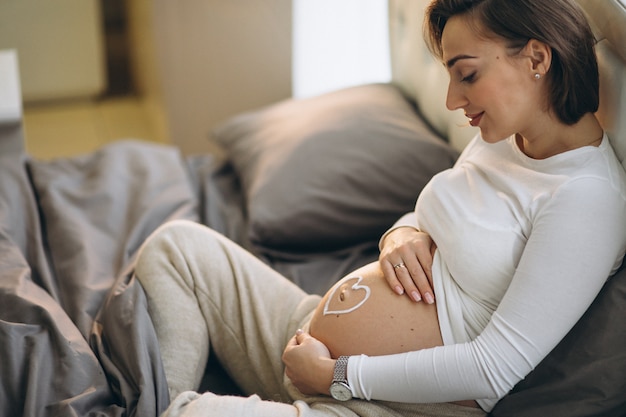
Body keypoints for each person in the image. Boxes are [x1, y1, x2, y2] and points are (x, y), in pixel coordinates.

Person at [133, 0, 626, 416]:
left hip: (383, 403)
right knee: (176, 246)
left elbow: (494, 368)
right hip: (307, 340)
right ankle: (166, 399)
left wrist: (338, 376)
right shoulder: (504, 136)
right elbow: (433, 219)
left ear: (536, 57)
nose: (454, 99)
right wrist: (401, 235)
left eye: (467, 75)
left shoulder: (586, 200)